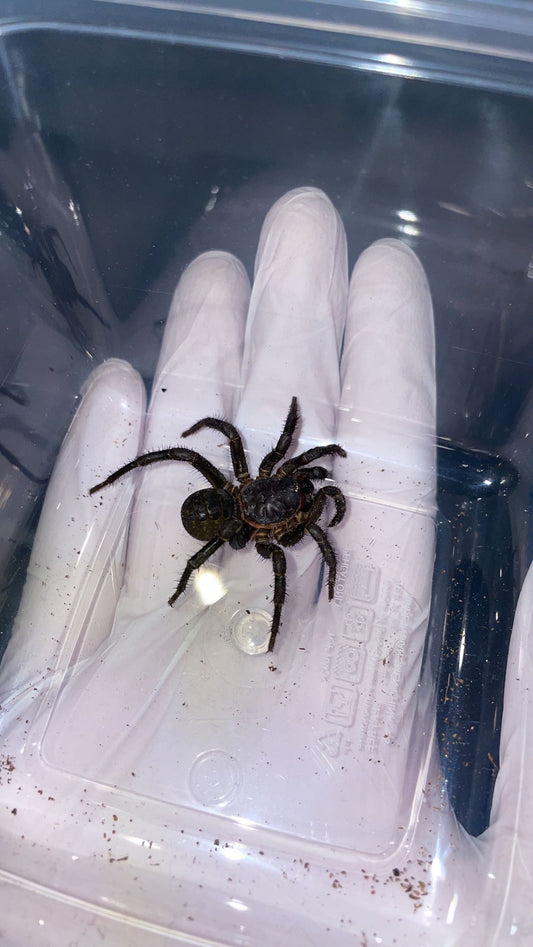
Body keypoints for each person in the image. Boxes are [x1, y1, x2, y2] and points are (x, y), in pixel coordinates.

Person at [0, 188, 529, 945]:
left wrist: (309, 489)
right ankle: (134, 494)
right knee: (194, 464)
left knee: (207, 457)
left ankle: (144, 503)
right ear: (260, 489)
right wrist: (214, 571)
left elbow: (296, 469)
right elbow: (266, 493)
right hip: (225, 516)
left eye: (307, 494)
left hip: (233, 510)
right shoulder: (264, 518)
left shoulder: (273, 485)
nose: (311, 496)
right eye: (302, 487)